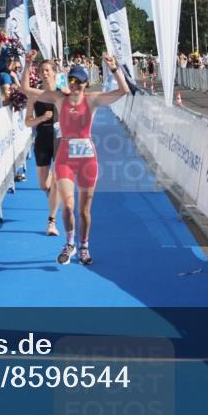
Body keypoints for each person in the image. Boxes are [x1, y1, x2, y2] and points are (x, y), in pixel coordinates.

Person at [22, 51, 130, 266]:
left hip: (88, 160)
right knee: (68, 206)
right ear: (68, 82)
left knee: (84, 210)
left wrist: (114, 68)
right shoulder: (58, 99)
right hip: (65, 159)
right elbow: (26, 89)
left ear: (85, 83)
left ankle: (84, 246)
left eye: (79, 82)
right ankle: (69, 244)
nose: (75, 86)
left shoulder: (92, 99)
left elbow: (124, 90)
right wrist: (27, 64)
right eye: (72, 81)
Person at [25, 58, 63, 235]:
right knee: (43, 184)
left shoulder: (62, 94)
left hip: (60, 139)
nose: (45, 73)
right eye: (42, 71)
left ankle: (51, 222)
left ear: (54, 72)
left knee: (57, 181)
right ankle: (52, 194)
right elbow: (27, 122)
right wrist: (41, 118)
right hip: (42, 139)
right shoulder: (35, 95)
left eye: (48, 70)